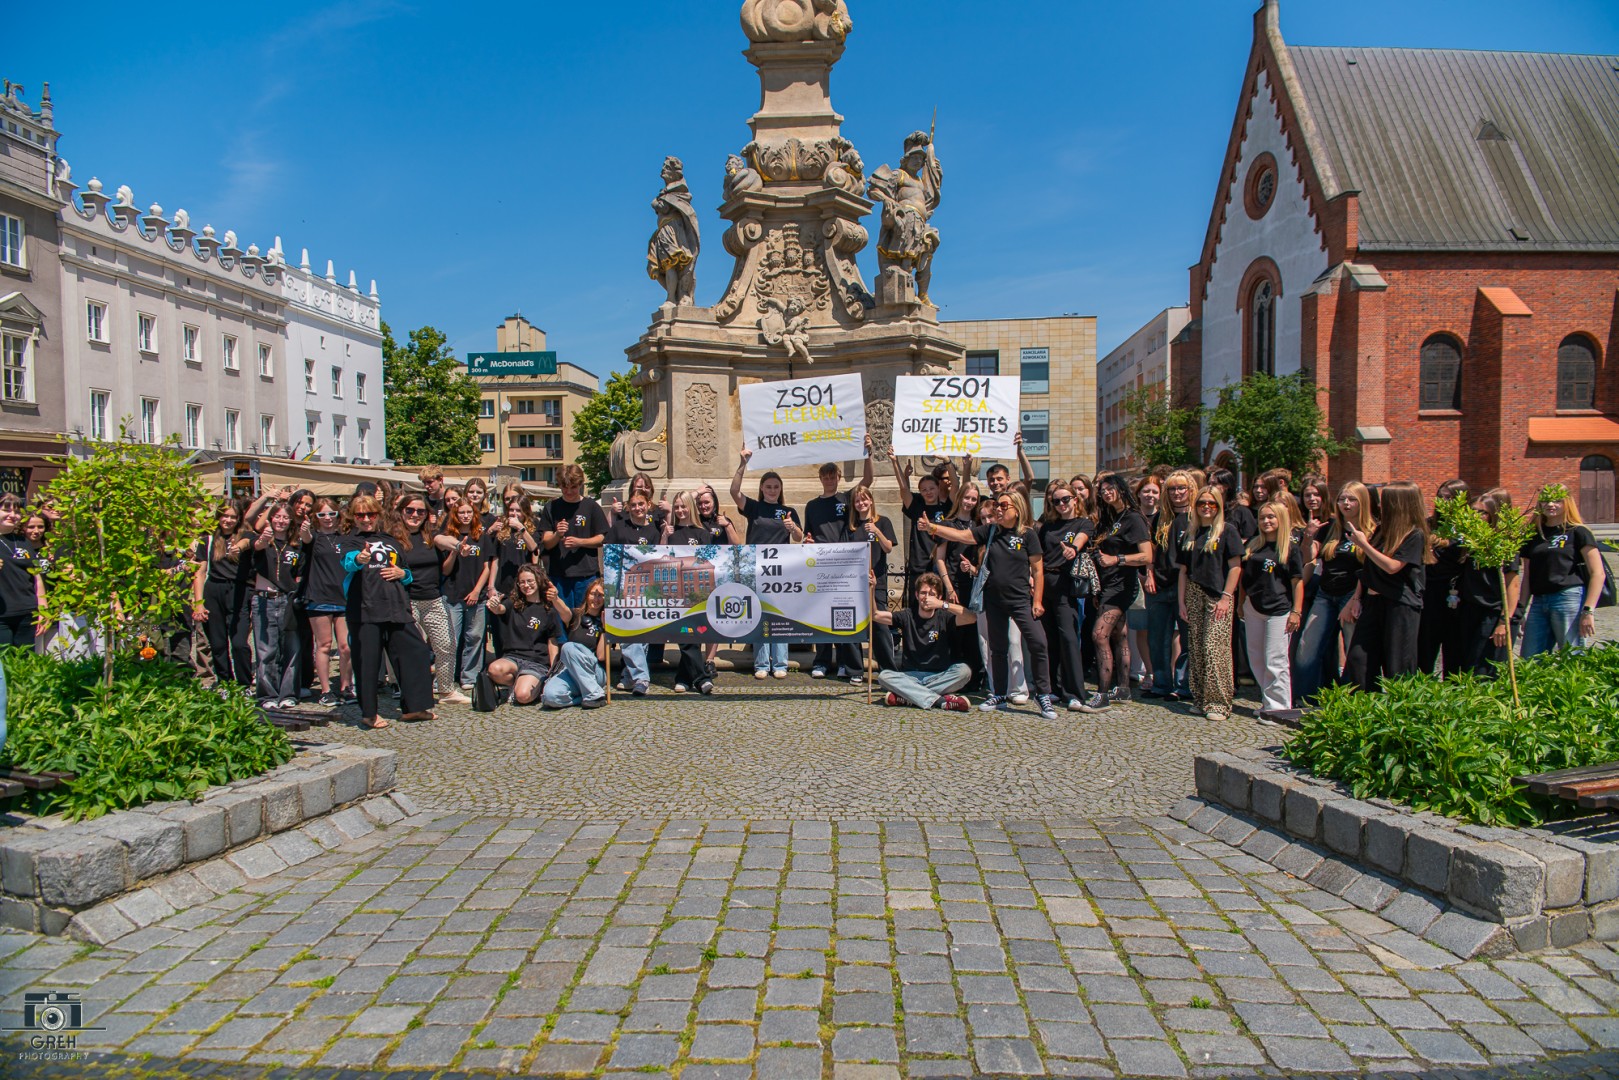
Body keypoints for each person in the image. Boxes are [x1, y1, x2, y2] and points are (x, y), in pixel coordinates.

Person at [921, 490, 1058, 720]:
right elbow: (961, 536)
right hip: (994, 601)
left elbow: (1037, 569)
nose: (999, 509)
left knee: (1038, 643)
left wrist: (1037, 601)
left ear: (1017, 507)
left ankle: (1043, 694)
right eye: (997, 506)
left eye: (1004, 505)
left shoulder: (1028, 535)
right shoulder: (991, 530)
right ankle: (1000, 695)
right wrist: (933, 528)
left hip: (1020, 601)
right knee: (998, 648)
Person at [343, 495, 436, 728]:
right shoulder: (350, 540)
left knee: (416, 652)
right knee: (367, 662)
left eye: (370, 514)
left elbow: (406, 572)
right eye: (360, 515)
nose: (366, 519)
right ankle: (369, 714)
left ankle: (414, 708)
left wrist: (404, 575)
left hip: (396, 607)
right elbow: (347, 562)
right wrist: (359, 559)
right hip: (365, 609)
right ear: (353, 517)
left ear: (378, 515)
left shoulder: (391, 540)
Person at [1342, 480, 1428, 690]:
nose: (1381, 505)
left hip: (1399, 605)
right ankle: (1361, 710)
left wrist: (1363, 544)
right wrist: (1357, 598)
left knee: (1398, 665)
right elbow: (1368, 568)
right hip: (1373, 602)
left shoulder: (1414, 535)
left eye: (1386, 500)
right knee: (1359, 659)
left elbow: (1392, 566)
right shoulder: (1382, 530)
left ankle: (1400, 714)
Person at [1079, 473, 1152, 713]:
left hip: (1122, 586)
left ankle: (1102, 693)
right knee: (1119, 635)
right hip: (1108, 585)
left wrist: (1117, 559)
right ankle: (1122, 688)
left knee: (1099, 635)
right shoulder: (1111, 517)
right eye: (1103, 489)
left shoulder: (1134, 518)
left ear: (1121, 488)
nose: (1107, 492)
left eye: (1111, 488)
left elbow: (1147, 556)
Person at [804, 440, 876, 679]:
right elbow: (808, 535)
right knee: (821, 614)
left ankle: (846, 661)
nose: (829, 480)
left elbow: (867, 481)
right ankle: (822, 661)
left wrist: (868, 454)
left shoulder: (847, 499)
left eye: (832, 476)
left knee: (845, 613)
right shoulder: (811, 505)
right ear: (820, 479)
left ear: (838, 477)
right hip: (821, 565)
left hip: (846, 565)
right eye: (825, 477)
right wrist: (808, 542)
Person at [731, 449, 805, 678]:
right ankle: (762, 664)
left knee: (780, 614)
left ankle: (780, 663)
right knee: (759, 615)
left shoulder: (788, 512)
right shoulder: (754, 507)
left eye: (776, 486)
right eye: (768, 486)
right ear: (762, 488)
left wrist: (793, 529)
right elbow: (734, 492)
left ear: (780, 489)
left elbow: (799, 538)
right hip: (756, 569)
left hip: (781, 571)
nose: (772, 490)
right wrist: (742, 464)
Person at [1295, 482, 1373, 700]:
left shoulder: (1371, 530)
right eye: (1342, 499)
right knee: (1306, 646)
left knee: (1352, 651)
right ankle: (1305, 699)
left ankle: (1354, 700)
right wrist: (1309, 537)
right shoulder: (1331, 527)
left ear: (1363, 502)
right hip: (1325, 594)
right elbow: (1308, 558)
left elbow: (1369, 569)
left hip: (1352, 595)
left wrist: (1356, 598)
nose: (1345, 504)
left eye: (1352, 499)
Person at [1179, 486, 1243, 721]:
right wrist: (1182, 602)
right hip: (1194, 592)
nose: (1206, 507)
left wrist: (1227, 597)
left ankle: (1219, 703)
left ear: (1219, 506)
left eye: (1212, 503)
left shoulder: (1227, 531)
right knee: (1196, 648)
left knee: (1214, 648)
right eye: (1202, 503)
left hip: (1218, 595)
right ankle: (1200, 698)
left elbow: (1235, 567)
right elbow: (1183, 571)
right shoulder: (1192, 533)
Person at [1520, 482, 1606, 656]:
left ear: (1567, 502)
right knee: (1530, 658)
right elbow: (1527, 576)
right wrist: (1520, 609)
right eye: (1546, 500)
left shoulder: (1578, 532)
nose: (1551, 505)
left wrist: (1588, 610)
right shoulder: (1534, 534)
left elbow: (1598, 573)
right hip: (1539, 601)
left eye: (1557, 500)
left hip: (1568, 598)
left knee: (1572, 655)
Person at [398, 493, 468, 705]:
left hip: (433, 599)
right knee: (415, 650)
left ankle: (446, 691)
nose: (415, 515)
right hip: (406, 600)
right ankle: (415, 691)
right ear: (401, 512)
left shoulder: (431, 536)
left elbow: (444, 540)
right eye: (410, 510)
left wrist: (457, 546)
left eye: (420, 511)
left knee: (446, 644)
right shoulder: (394, 538)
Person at [1240, 501, 1306, 718]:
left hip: (1279, 609)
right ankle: (1268, 701)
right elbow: (1244, 579)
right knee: (1256, 657)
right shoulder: (1253, 544)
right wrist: (1242, 603)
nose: (1266, 521)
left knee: (1275, 659)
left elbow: (1297, 582)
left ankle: (1279, 709)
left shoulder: (1290, 547)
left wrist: (1296, 611)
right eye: (1262, 517)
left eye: (1271, 517)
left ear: (1281, 519)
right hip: (1253, 607)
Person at [873, 571, 974, 710]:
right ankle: (940, 701)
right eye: (923, 593)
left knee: (964, 671)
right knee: (884, 677)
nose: (926, 598)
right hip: (910, 676)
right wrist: (871, 589)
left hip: (939, 675)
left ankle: (908, 696)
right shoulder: (907, 615)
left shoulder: (944, 617)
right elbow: (876, 615)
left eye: (931, 594)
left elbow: (971, 618)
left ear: (938, 597)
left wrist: (942, 604)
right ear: (916, 595)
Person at [1036, 481, 1093, 710]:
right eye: (1056, 501)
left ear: (1075, 499)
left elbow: (1081, 539)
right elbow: (1038, 555)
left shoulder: (1083, 523)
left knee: (1069, 638)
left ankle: (1076, 692)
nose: (1061, 504)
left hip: (1065, 584)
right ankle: (1053, 689)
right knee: (1049, 639)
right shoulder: (1047, 526)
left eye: (1065, 499)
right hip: (1045, 583)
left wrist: (1073, 549)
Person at [1454, 488, 1520, 676]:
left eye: (1482, 512)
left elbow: (1513, 585)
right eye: (1472, 512)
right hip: (1470, 610)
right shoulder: (1469, 543)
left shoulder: (1503, 543)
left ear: (1493, 516)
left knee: (1484, 670)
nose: (1476, 516)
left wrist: (1503, 621)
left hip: (1493, 612)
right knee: (1468, 665)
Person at [486, 565, 571, 707]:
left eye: (530, 581)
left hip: (536, 661)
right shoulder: (513, 603)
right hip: (513, 657)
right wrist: (494, 605)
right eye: (522, 582)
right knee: (494, 669)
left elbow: (552, 640)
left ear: (538, 581)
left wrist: (552, 668)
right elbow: (500, 609)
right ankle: (518, 682)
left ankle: (534, 685)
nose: (526, 585)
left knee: (523, 696)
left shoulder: (548, 609)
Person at [662, 490, 718, 694]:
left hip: (697, 591)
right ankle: (702, 678)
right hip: (676, 592)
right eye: (676, 507)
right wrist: (663, 537)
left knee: (692, 634)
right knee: (684, 634)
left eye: (683, 506)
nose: (680, 510)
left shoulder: (702, 533)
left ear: (691, 508)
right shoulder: (671, 532)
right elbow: (661, 557)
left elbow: (708, 562)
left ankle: (683, 678)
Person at [193, 504, 255, 688]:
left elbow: (248, 542)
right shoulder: (208, 541)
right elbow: (200, 572)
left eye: (232, 517)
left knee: (239, 643)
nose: (228, 520)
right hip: (214, 591)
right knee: (218, 644)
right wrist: (198, 603)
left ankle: (244, 683)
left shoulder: (246, 536)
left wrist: (238, 547)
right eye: (224, 516)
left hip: (239, 591)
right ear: (218, 517)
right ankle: (225, 683)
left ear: (238, 519)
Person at [251, 501, 306, 708]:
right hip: (264, 599)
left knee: (291, 648)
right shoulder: (264, 541)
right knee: (266, 650)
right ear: (271, 518)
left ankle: (289, 693)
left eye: (285, 517)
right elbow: (258, 546)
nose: (281, 521)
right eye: (277, 517)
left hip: (287, 599)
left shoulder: (295, 545)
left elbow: (299, 574)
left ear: (291, 520)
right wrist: (264, 537)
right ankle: (267, 695)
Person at [606, 490, 662, 695]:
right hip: (623, 587)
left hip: (647, 588)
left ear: (648, 505)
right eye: (634, 505)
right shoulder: (619, 528)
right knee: (628, 633)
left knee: (643, 634)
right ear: (628, 507)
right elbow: (607, 552)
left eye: (641, 504)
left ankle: (631, 675)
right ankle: (641, 677)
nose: (637, 508)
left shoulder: (654, 531)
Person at [303, 497, 356, 706]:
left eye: (331, 514)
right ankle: (325, 690)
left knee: (346, 646)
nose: (327, 518)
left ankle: (345, 686)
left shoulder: (346, 537)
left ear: (338, 515)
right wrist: (305, 529)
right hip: (319, 596)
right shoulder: (314, 537)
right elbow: (304, 538)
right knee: (323, 645)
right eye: (322, 514)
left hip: (343, 596)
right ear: (316, 517)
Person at [1145, 471, 1194, 699]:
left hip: (1186, 586)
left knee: (1186, 639)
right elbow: (1151, 552)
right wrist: (1149, 574)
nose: (1177, 493)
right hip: (1160, 585)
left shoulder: (1197, 517)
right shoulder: (1160, 518)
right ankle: (1161, 684)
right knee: (1157, 638)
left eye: (1181, 488)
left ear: (1191, 489)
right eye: (1172, 489)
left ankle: (1183, 686)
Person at [933, 480, 985, 691]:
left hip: (975, 585)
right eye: (966, 497)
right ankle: (954, 678)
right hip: (954, 584)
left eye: (974, 499)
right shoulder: (948, 524)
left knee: (974, 633)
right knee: (955, 632)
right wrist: (948, 586)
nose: (969, 502)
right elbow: (940, 558)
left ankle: (975, 678)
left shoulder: (979, 526)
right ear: (959, 497)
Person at [842, 483, 898, 676]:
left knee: (880, 627)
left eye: (864, 499)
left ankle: (888, 671)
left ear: (871, 500)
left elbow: (888, 547)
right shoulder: (850, 527)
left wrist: (876, 530)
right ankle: (855, 670)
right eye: (857, 500)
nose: (861, 503)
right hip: (854, 583)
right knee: (851, 627)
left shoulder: (883, 522)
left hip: (877, 582)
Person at [1418, 479, 1471, 675]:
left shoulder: (1469, 527)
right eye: (1440, 497)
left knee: (1455, 651)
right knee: (1425, 649)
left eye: (1449, 498)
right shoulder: (1428, 525)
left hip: (1458, 593)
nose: (1443, 502)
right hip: (1430, 591)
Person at [539, 465, 608, 611]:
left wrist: (580, 542)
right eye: (565, 487)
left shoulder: (591, 506)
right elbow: (546, 542)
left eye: (573, 487)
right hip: (558, 575)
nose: (569, 491)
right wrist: (557, 534)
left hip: (586, 575)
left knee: (584, 619)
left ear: (581, 484)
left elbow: (603, 538)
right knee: (560, 620)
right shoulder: (551, 507)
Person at [443, 500, 492, 691]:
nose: (465, 515)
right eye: (461, 512)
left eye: (469, 512)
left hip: (476, 595)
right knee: (450, 639)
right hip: (453, 595)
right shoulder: (449, 537)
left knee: (475, 638)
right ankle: (446, 677)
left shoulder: (481, 537)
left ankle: (469, 677)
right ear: (455, 514)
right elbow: (445, 570)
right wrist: (456, 551)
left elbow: (487, 567)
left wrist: (477, 590)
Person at [891, 449, 950, 608]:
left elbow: (957, 486)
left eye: (931, 488)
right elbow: (904, 490)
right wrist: (895, 463)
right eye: (924, 490)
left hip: (940, 566)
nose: (928, 492)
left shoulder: (947, 508)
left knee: (937, 606)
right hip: (919, 565)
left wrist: (947, 461)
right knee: (918, 606)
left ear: (938, 488)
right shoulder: (917, 508)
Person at [543, 579, 609, 708]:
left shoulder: (607, 621)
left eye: (600, 595)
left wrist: (605, 629)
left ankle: (593, 693)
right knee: (549, 697)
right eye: (593, 594)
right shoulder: (576, 615)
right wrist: (555, 598)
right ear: (587, 595)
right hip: (572, 671)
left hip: (595, 671)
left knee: (568, 647)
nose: (596, 599)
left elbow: (602, 656)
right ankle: (589, 695)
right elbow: (564, 611)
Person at [1128, 477, 1162, 690]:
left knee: (1167, 631)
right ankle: (1149, 671)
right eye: (1146, 491)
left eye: (1155, 492)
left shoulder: (1165, 519)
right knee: (1142, 628)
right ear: (1138, 493)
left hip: (1163, 580)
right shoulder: (1133, 518)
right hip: (1137, 577)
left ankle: (1165, 673)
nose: (1150, 495)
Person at [0, 495, 43, 649]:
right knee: (3, 664)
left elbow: (37, 577)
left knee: (26, 663)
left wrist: (42, 609)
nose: (12, 515)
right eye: (6, 509)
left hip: (27, 612)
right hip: (2, 616)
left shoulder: (23, 541)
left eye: (17, 511)